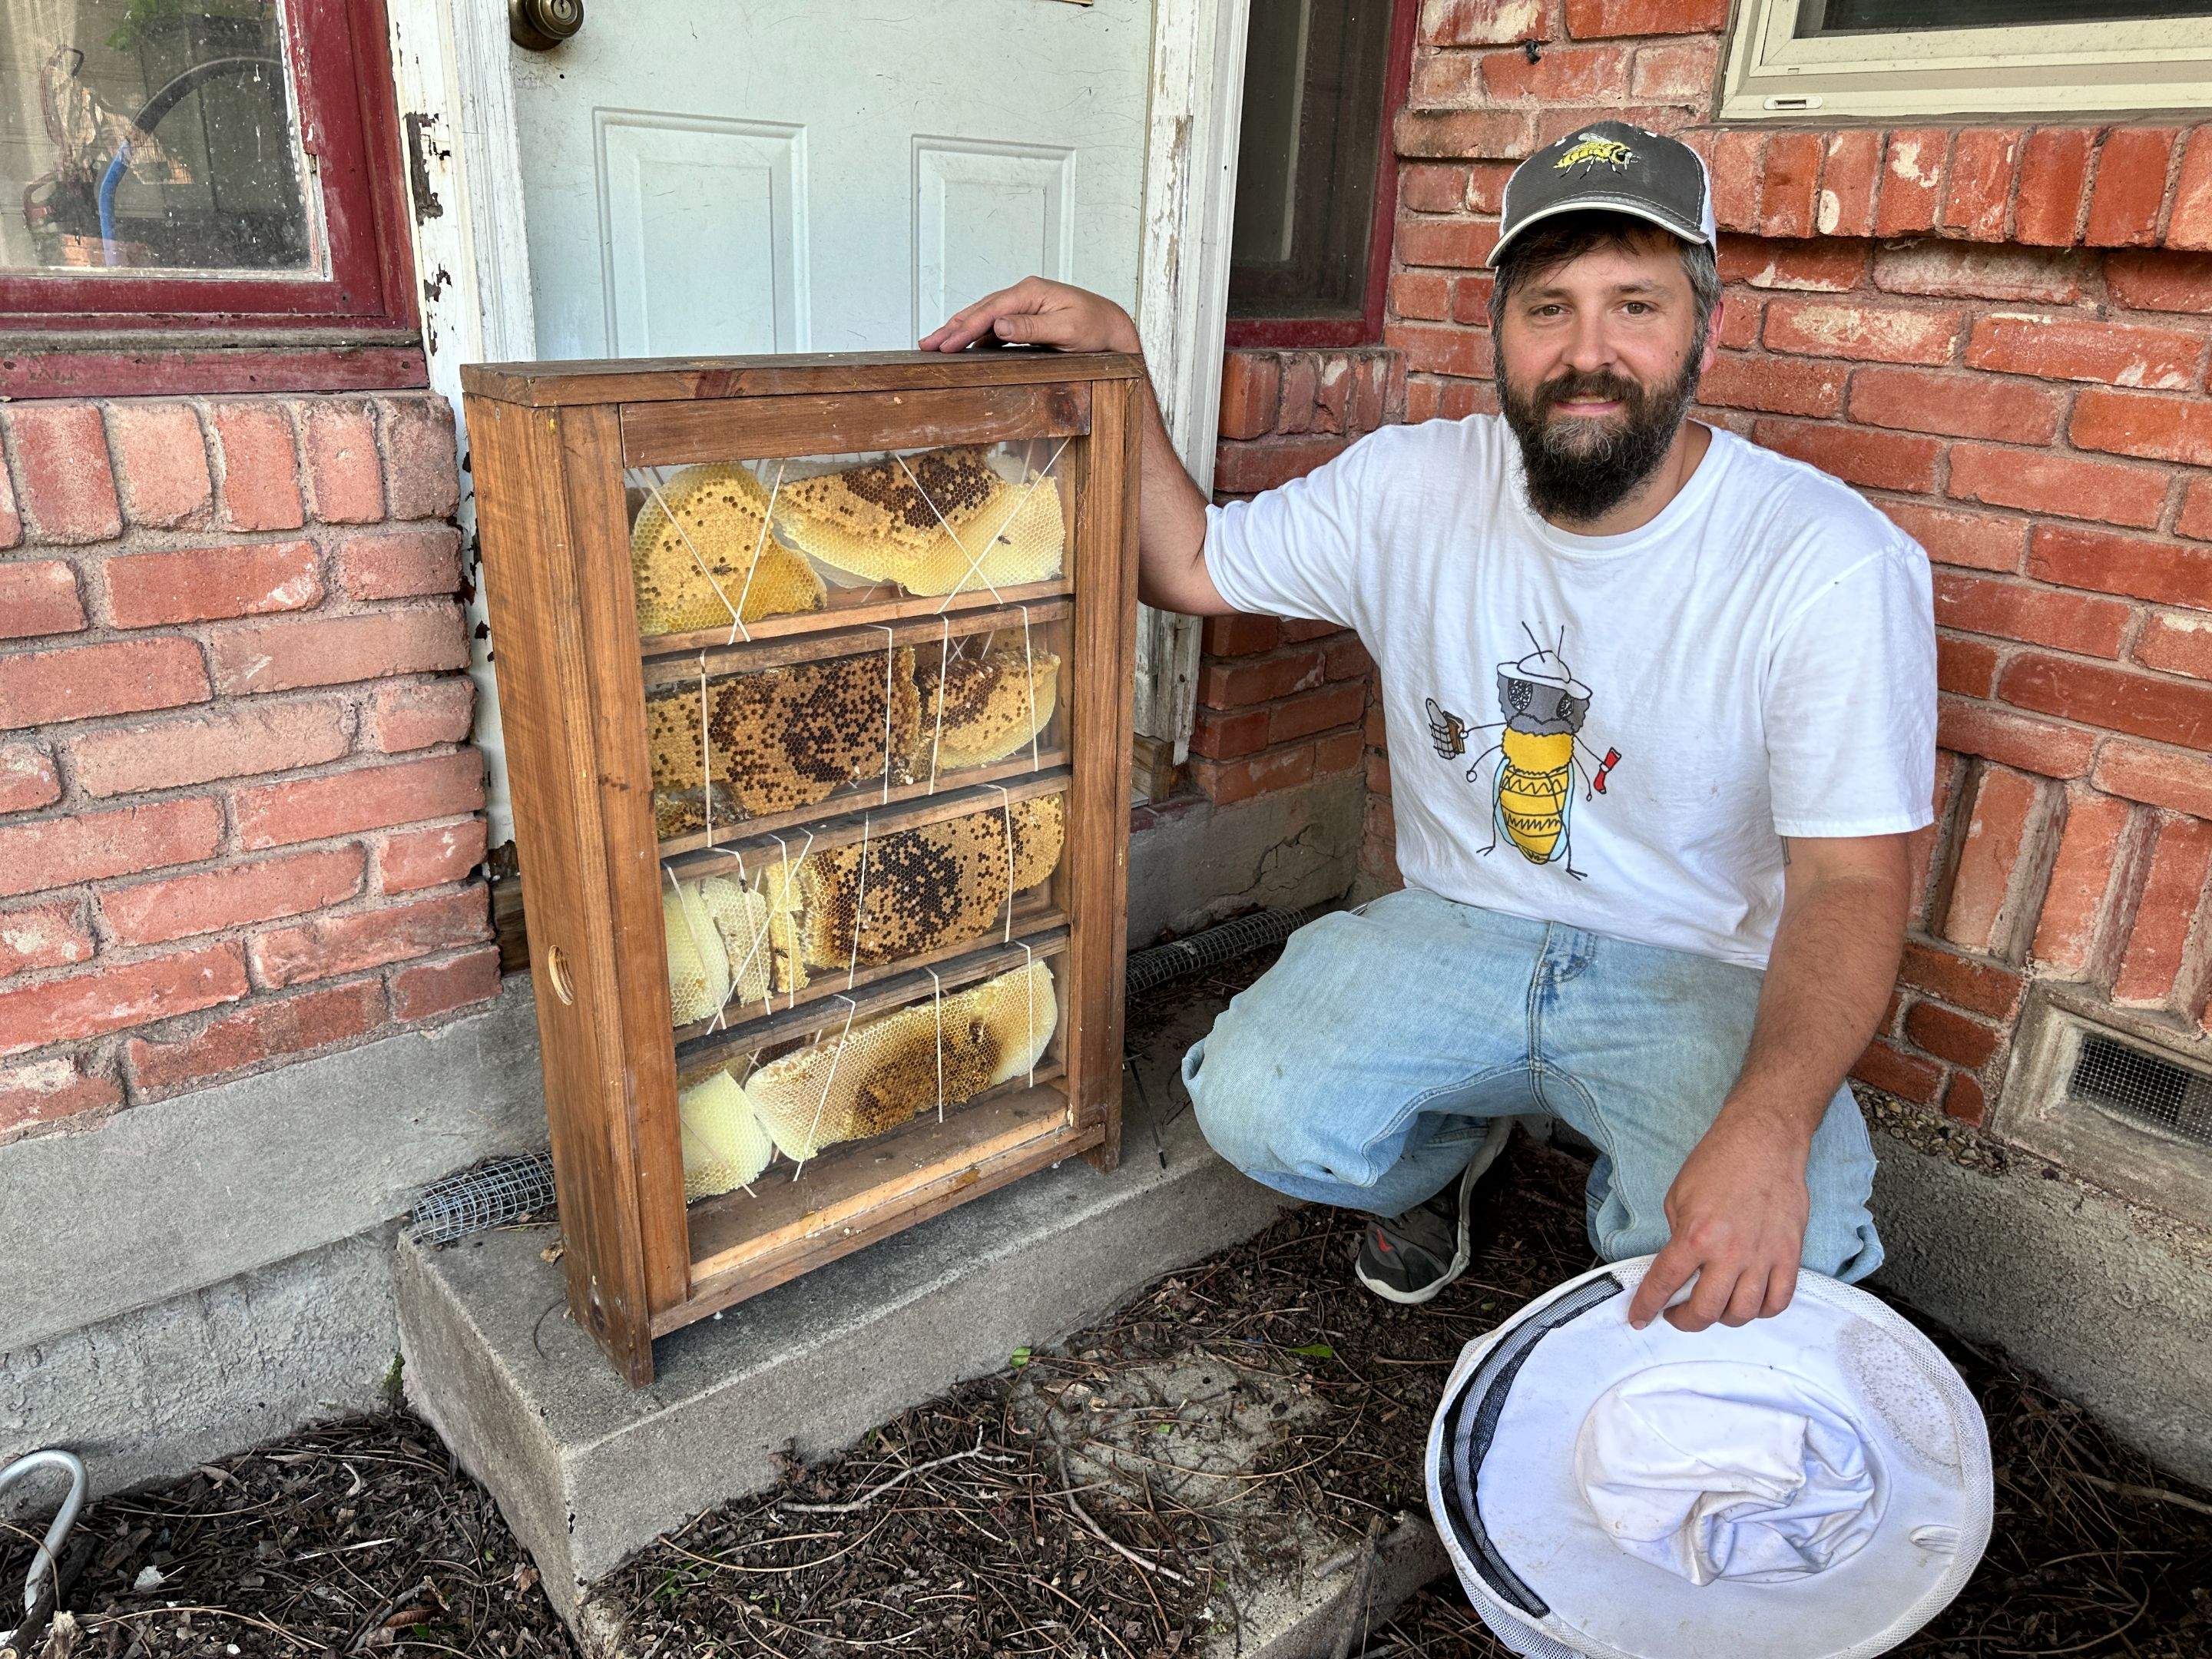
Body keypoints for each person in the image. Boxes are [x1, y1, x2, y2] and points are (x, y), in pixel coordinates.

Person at [921, 121, 1935, 1336]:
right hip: (1463, 923)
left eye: (1637, 305)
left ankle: (1648, 1193)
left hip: (1694, 969)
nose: (1589, 353)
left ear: (1704, 329)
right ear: (1498, 328)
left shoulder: (1828, 562)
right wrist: (1122, 370)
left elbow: (1853, 881)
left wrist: (1766, 1129)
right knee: (1258, 1109)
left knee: (1787, 1261)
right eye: (1549, 307)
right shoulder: (1412, 485)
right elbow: (1188, 560)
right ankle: (1450, 1156)